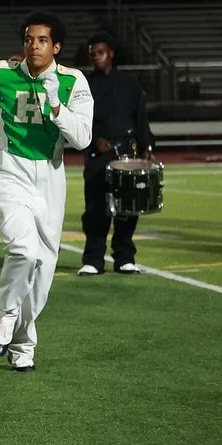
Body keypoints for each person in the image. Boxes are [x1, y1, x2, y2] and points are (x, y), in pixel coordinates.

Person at [0, 10, 92, 372]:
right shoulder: (2, 72)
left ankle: (23, 345)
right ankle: (4, 312)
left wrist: (56, 105)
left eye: (42, 40)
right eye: (29, 39)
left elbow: (82, 139)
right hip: (9, 171)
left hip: (50, 177)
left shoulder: (73, 80)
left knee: (44, 271)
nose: (33, 46)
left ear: (57, 46)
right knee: (22, 250)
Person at [78, 31, 155, 276]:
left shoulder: (130, 84)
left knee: (127, 207)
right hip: (97, 156)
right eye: (92, 54)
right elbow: (79, 119)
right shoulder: (85, 84)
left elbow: (141, 118)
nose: (96, 58)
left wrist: (146, 147)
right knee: (95, 209)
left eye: (100, 53)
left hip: (127, 154)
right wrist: (92, 141)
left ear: (110, 53)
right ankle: (93, 259)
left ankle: (124, 257)